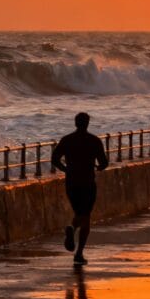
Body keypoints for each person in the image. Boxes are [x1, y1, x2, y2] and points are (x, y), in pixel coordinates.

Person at [51, 112, 109, 265]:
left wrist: (65, 169)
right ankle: (79, 253)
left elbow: (54, 159)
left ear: (75, 123)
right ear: (88, 123)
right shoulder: (94, 141)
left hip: (71, 182)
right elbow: (104, 162)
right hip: (88, 182)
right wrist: (98, 166)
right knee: (86, 217)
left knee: (79, 212)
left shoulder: (67, 140)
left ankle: (72, 228)